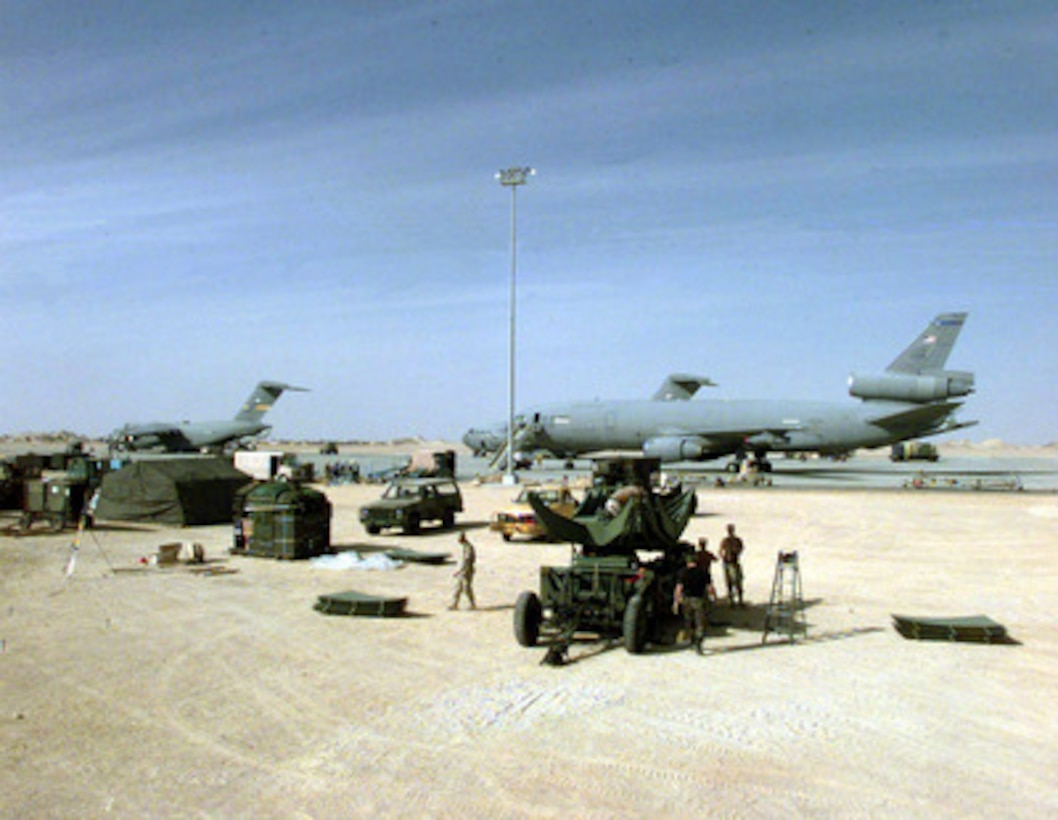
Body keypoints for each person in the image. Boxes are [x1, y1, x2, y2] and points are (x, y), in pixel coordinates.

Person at [673, 551, 709, 654]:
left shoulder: (683, 572)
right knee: (700, 623)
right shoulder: (703, 572)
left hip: (686, 600)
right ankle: (698, 642)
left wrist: (676, 601)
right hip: (698, 599)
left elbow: (679, 588)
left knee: (689, 620)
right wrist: (714, 598)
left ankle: (692, 639)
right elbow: (710, 587)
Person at [719, 523, 745, 607]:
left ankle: (739, 600)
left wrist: (734, 552)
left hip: (733, 562)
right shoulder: (726, 540)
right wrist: (723, 556)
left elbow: (741, 549)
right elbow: (720, 550)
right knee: (729, 582)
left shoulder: (735, 540)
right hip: (728, 562)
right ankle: (732, 601)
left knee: (737, 582)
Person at [449, 532, 476, 610]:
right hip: (463, 571)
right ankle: (454, 604)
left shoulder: (469, 547)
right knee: (458, 588)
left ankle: (472, 604)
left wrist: (463, 571)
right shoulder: (465, 546)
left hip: (467, 571)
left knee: (466, 588)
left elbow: (467, 561)